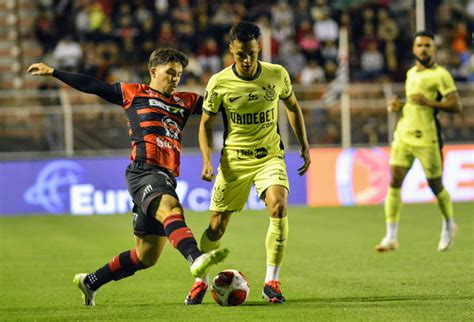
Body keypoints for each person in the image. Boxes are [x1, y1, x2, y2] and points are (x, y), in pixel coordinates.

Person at [27, 48, 229, 306]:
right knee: (171, 207)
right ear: (153, 71)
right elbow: (93, 86)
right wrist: (54, 72)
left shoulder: (186, 101)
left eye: (179, 74)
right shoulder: (134, 93)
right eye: (170, 73)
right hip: (143, 171)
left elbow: (222, 107)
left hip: (165, 175)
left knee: (146, 256)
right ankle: (196, 258)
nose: (175, 78)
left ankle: (90, 281)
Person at [186, 21, 311, 305]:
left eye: (252, 53)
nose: (246, 60)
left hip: (269, 157)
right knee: (216, 227)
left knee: (278, 205)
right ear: (231, 48)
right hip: (233, 162)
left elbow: (292, 107)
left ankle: (272, 281)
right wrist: (206, 160)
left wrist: (304, 144)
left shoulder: (276, 75)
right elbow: (205, 124)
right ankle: (200, 281)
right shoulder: (219, 82)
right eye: (240, 53)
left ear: (260, 48)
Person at [375, 31, 462, 253]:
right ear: (414, 49)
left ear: (434, 49)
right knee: (394, 181)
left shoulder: (441, 75)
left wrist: (429, 101)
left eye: (427, 45)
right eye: (419, 45)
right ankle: (391, 236)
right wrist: (399, 106)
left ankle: (448, 224)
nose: (423, 49)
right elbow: (413, 103)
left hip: (427, 138)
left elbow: (456, 106)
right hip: (403, 135)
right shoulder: (411, 73)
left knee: (435, 185)